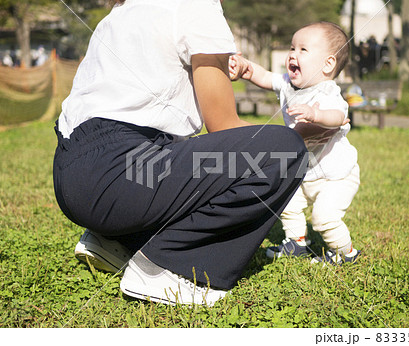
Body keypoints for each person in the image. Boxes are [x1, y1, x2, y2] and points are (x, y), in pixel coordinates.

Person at [53, 0, 308, 306]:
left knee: (184, 153)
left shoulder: (124, 10)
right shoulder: (198, 6)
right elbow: (224, 126)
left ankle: (114, 239)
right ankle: (167, 267)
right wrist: (299, 140)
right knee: (285, 149)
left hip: (71, 171)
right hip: (123, 170)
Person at [229, 21, 361, 265]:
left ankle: (346, 253)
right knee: (287, 202)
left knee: (324, 218)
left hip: (336, 175)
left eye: (303, 50)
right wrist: (247, 69)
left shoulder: (327, 93)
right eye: (292, 48)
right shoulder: (289, 84)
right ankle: (297, 242)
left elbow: (338, 116)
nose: (293, 54)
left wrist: (315, 114)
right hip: (305, 171)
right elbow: (266, 77)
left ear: (328, 64)